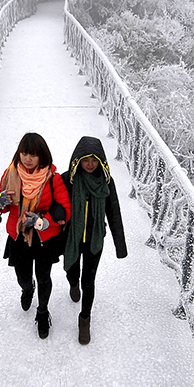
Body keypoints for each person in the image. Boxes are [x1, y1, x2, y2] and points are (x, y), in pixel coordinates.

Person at [0, 132, 71, 339]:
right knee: (22, 276)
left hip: (44, 238)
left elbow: (65, 208)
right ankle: (27, 289)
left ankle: (42, 312)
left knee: (44, 277)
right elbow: (3, 208)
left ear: (42, 156)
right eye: (24, 153)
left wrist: (42, 221)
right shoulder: (10, 174)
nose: (28, 159)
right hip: (19, 238)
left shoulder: (53, 179)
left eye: (33, 154)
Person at [60, 136, 127, 345]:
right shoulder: (67, 179)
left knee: (89, 280)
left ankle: (84, 319)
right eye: (86, 160)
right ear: (77, 160)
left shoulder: (106, 183)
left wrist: (120, 245)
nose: (90, 164)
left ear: (101, 161)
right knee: (72, 270)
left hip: (94, 240)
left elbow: (113, 212)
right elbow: (56, 205)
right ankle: (73, 283)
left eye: (94, 160)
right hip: (71, 236)